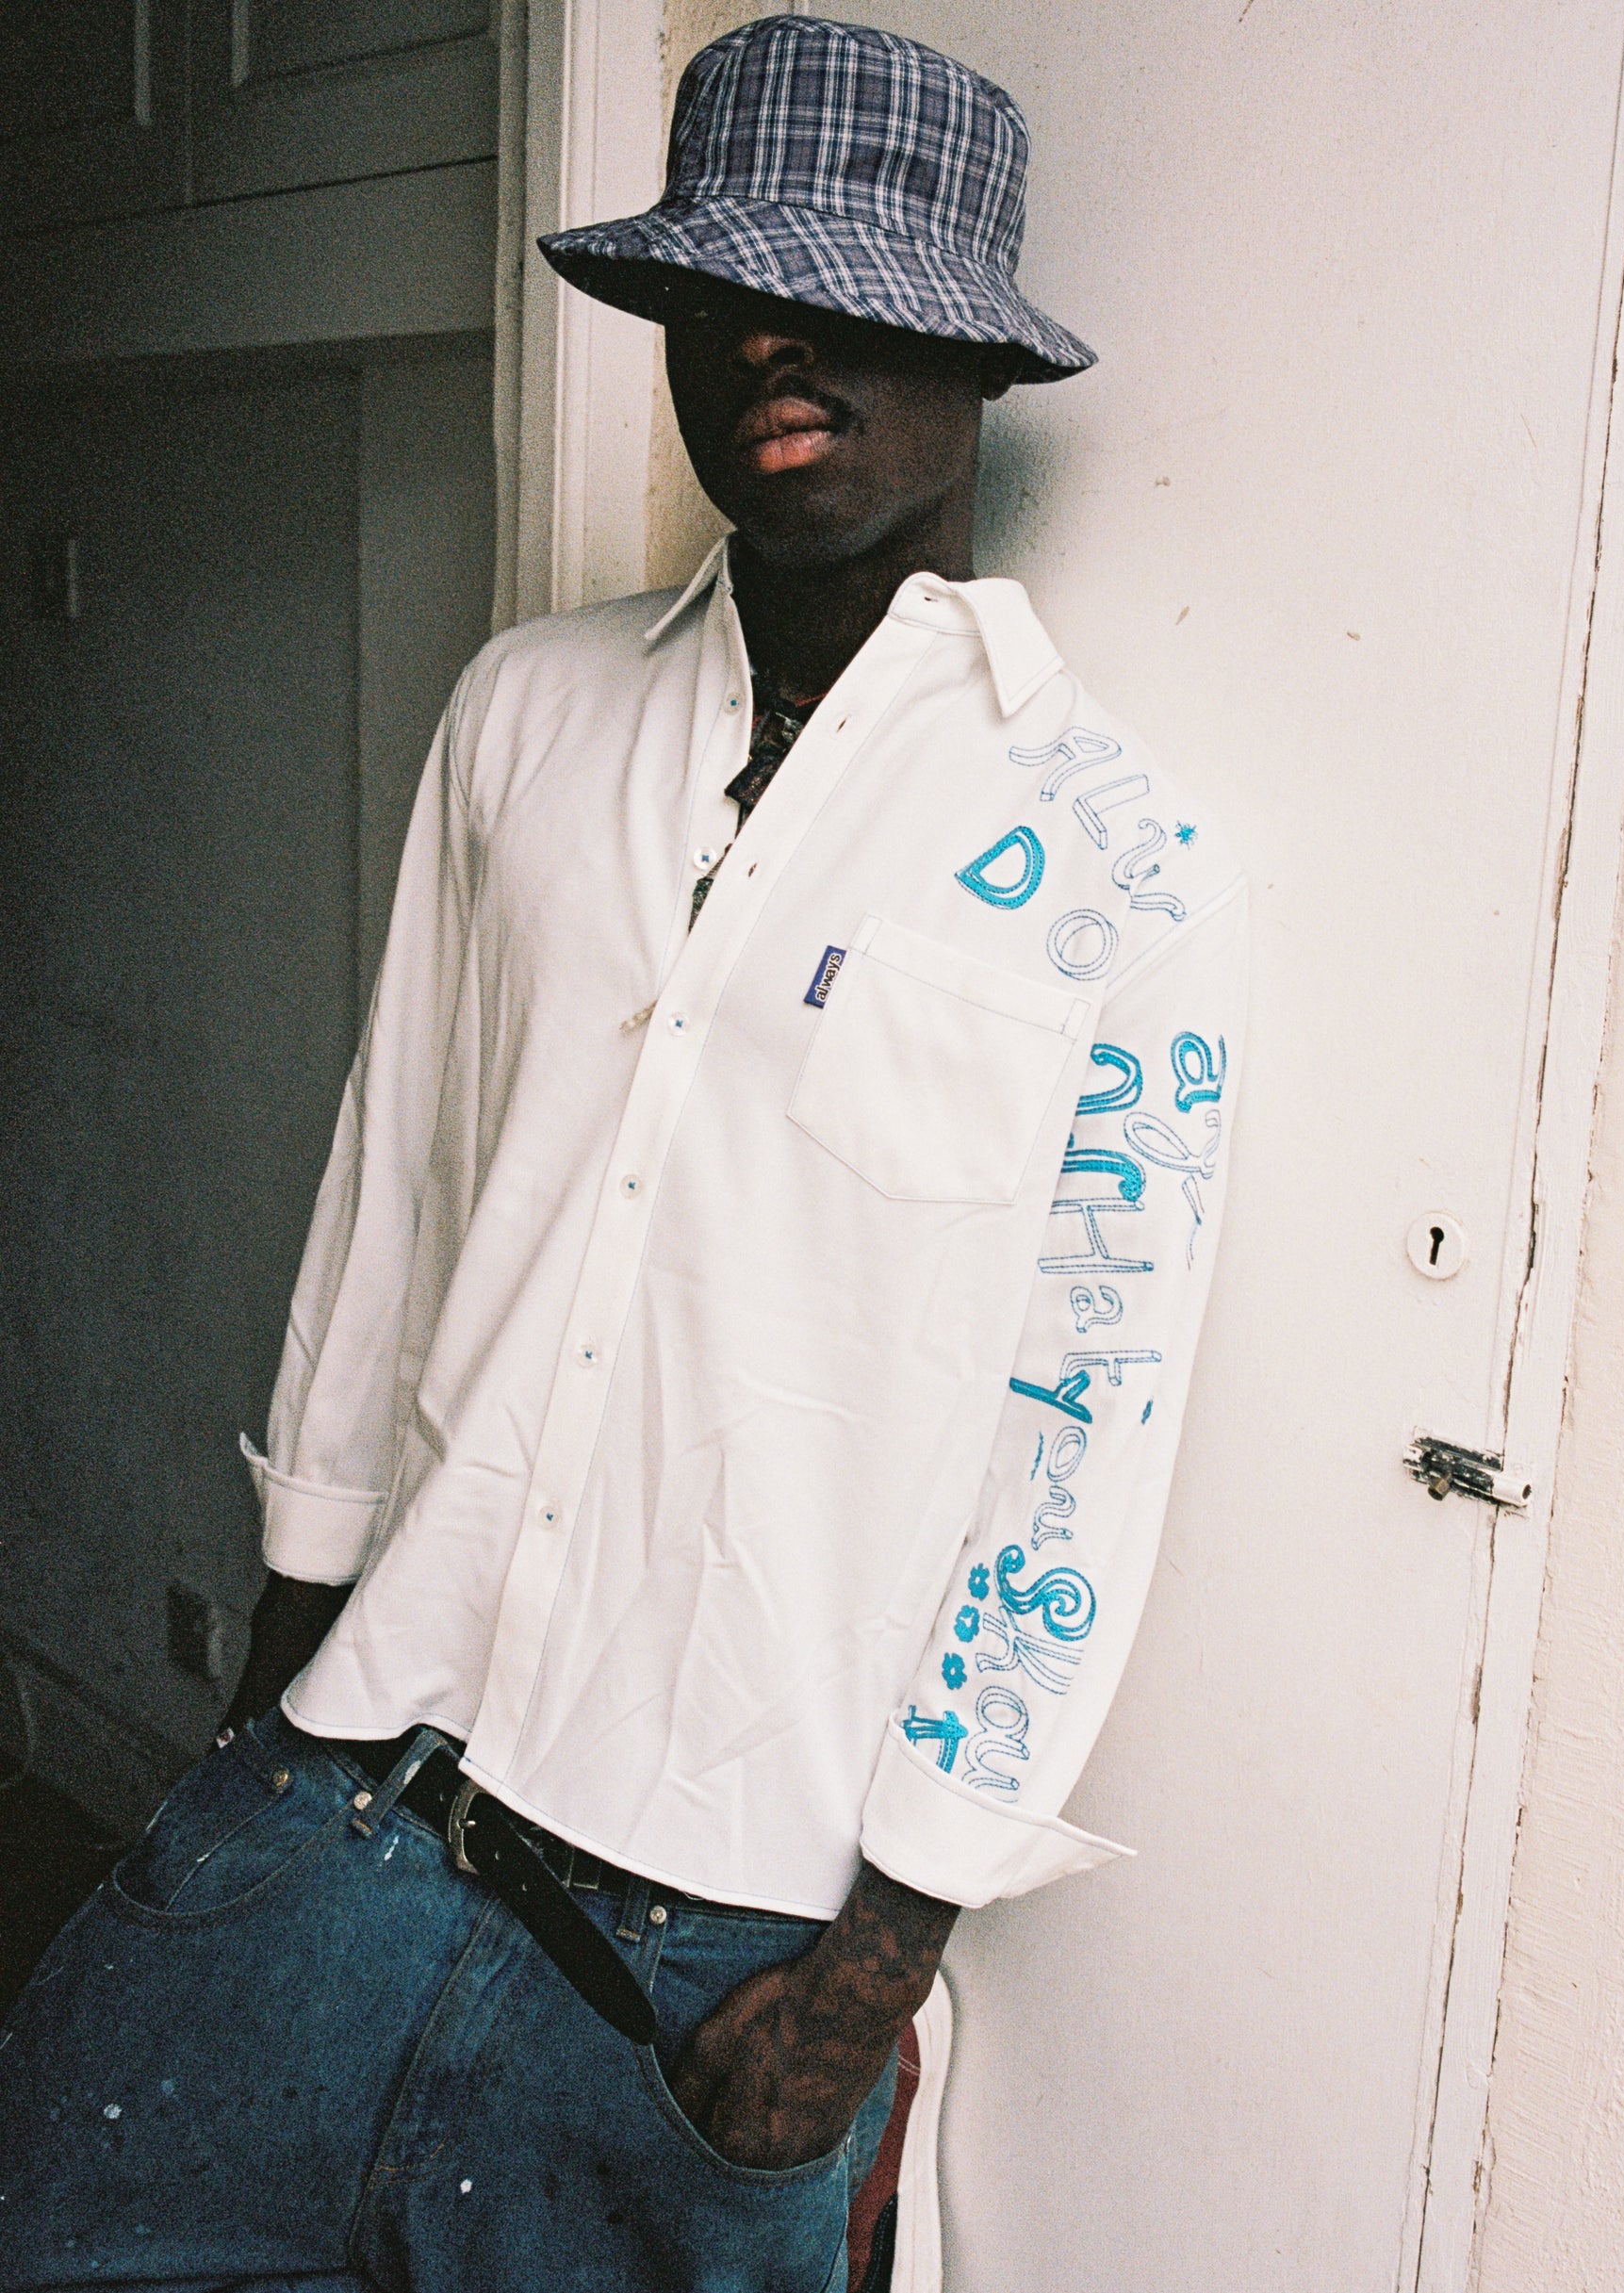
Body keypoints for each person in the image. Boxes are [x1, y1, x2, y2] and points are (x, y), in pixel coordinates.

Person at [0, 17, 1247, 2291]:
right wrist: (269, 1700)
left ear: (979, 347)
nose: (767, 337)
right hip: (357, 1781)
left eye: (842, 291)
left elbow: (1079, 1441)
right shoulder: (528, 708)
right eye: (719, 290)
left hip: (724, 1939)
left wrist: (872, 1972)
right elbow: (393, 1184)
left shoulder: (1112, 863)